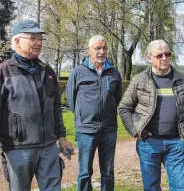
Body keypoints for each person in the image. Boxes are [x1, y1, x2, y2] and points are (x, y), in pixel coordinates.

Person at [0, 20, 74, 191]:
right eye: (33, 38)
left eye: (40, 38)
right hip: (18, 149)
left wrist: (61, 138)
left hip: (48, 147)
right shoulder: (4, 72)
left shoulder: (47, 71)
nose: (39, 42)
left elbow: (56, 107)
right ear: (17, 41)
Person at [119, 39, 184, 191]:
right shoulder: (139, 80)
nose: (164, 58)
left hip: (176, 143)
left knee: (180, 187)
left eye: (167, 54)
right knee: (151, 187)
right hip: (149, 143)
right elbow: (124, 107)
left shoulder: (183, 80)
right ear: (149, 57)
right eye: (159, 55)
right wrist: (136, 130)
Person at [66, 35, 122, 191]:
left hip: (109, 129)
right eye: (98, 48)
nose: (102, 51)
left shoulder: (114, 73)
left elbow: (117, 99)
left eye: (104, 48)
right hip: (86, 131)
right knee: (84, 172)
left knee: (108, 172)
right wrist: (84, 116)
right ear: (89, 50)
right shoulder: (78, 72)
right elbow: (71, 100)